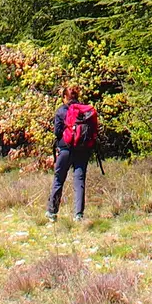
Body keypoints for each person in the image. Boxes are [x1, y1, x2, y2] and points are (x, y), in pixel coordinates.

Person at [46, 84, 98, 222]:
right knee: (79, 181)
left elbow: (57, 132)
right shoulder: (85, 111)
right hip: (83, 150)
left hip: (65, 149)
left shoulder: (61, 111)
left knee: (58, 180)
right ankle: (78, 215)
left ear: (64, 97)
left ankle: (52, 212)